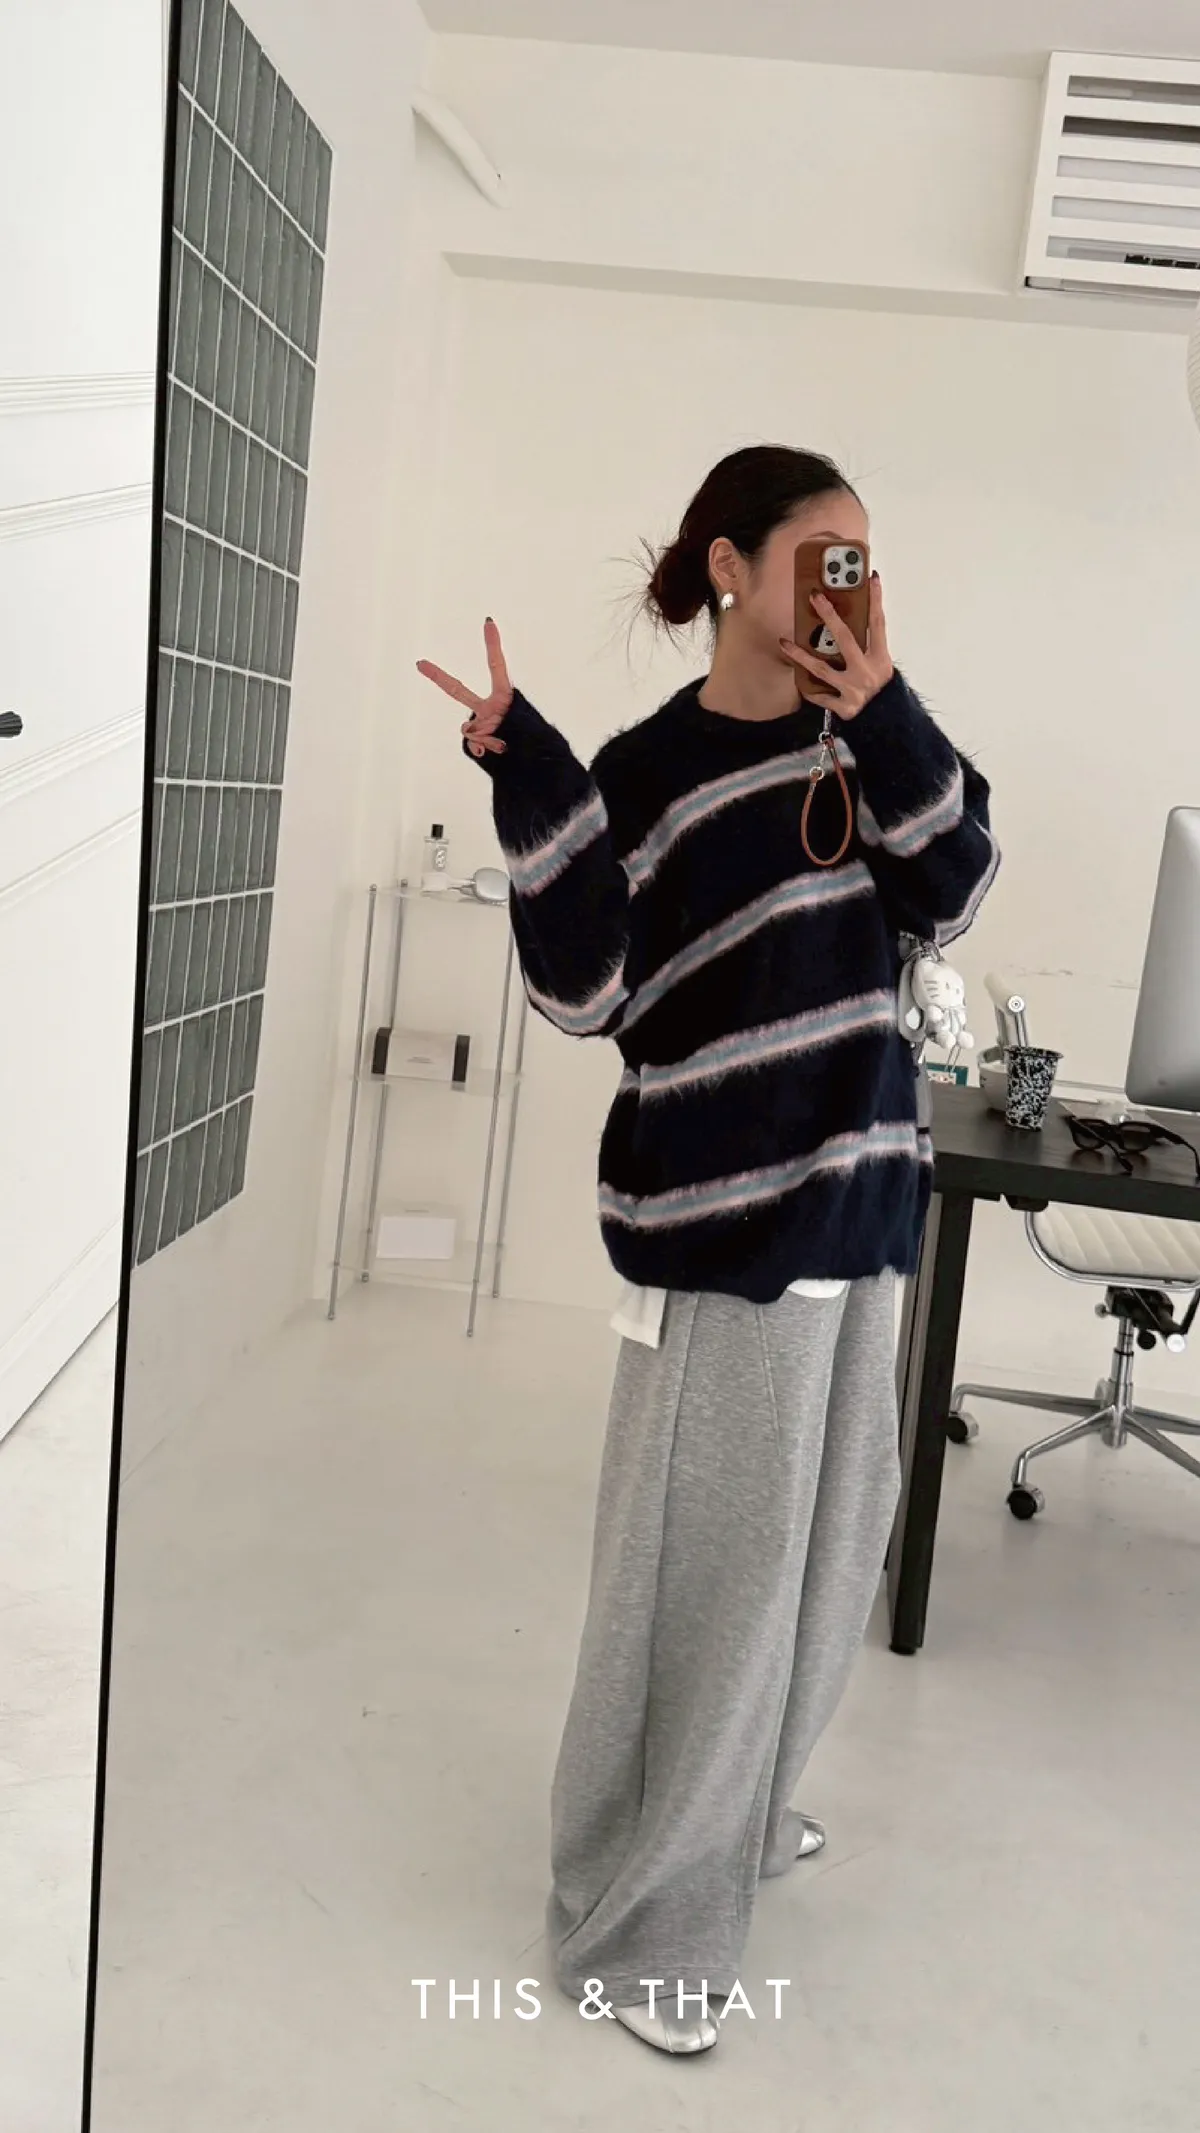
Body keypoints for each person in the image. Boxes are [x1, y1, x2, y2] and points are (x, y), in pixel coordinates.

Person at [417, 444, 999, 2057]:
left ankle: (729, 1813)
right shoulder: (650, 772)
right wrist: (531, 781)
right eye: (820, 555)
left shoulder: (867, 737)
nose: (845, 585)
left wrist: (881, 707)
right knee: (712, 1589)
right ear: (732, 567)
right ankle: (641, 1927)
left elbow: (953, 888)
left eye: (863, 560)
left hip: (864, 1210)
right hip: (729, 1224)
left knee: (826, 1563)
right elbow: (588, 993)